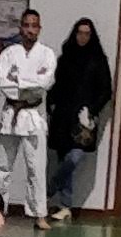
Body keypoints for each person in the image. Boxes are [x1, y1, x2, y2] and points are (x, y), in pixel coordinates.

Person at [0, 22, 57, 217]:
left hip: (34, 115)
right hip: (10, 113)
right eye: (26, 26)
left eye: (34, 26)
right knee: (2, 167)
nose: (30, 30)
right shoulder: (9, 53)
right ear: (21, 29)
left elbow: (45, 84)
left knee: (36, 168)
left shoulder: (47, 54)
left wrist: (17, 80)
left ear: (39, 29)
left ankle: (39, 214)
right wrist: (29, 83)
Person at [48, 18, 113, 213]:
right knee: (62, 157)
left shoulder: (98, 61)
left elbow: (106, 90)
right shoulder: (65, 58)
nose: (83, 37)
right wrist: (50, 103)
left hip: (84, 119)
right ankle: (65, 205)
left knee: (74, 157)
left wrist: (92, 110)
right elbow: (56, 85)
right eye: (80, 33)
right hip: (62, 116)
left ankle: (52, 187)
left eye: (87, 34)